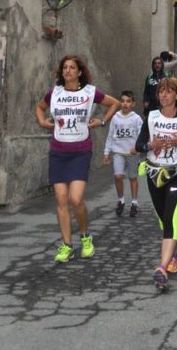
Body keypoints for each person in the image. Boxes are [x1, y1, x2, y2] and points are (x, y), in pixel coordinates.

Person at [35, 54, 120, 262]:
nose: (67, 71)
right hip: (58, 151)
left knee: (75, 198)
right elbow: (39, 108)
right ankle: (66, 245)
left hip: (80, 151)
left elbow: (114, 104)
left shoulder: (90, 92)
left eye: (72, 68)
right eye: (64, 68)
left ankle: (85, 236)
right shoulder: (54, 93)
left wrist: (101, 121)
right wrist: (44, 122)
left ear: (79, 72)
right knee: (61, 199)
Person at [134, 77, 177, 289]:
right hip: (154, 173)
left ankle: (162, 266)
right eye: (161, 91)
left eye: (168, 91)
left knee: (171, 219)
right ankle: (176, 254)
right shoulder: (151, 117)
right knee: (163, 220)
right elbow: (139, 145)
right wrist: (150, 144)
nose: (163, 95)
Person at [103, 90, 143, 216]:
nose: (125, 104)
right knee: (118, 176)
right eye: (123, 101)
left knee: (132, 177)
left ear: (133, 104)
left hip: (132, 152)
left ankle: (135, 202)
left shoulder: (136, 119)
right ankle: (120, 200)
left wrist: (138, 148)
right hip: (118, 151)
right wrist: (106, 152)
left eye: (128, 101)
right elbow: (110, 135)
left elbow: (142, 135)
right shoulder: (116, 118)